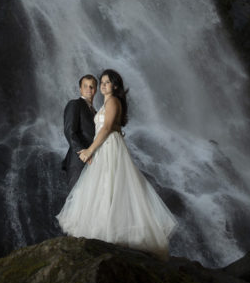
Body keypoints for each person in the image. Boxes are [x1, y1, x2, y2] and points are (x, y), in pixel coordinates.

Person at [57, 69, 176, 259]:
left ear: (115, 85)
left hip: (105, 149)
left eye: (103, 83)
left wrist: (91, 150)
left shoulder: (111, 102)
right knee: (97, 191)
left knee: (108, 188)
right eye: (99, 83)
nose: (99, 86)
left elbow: (105, 128)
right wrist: (84, 151)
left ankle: (104, 237)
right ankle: (87, 242)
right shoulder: (79, 104)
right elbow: (71, 131)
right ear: (80, 88)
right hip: (88, 154)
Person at [62, 74, 97, 193]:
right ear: (80, 89)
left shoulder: (95, 112)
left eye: (91, 86)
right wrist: (81, 152)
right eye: (85, 86)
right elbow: (69, 130)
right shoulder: (74, 104)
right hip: (78, 161)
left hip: (93, 160)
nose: (88, 89)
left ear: (96, 90)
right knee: (75, 200)